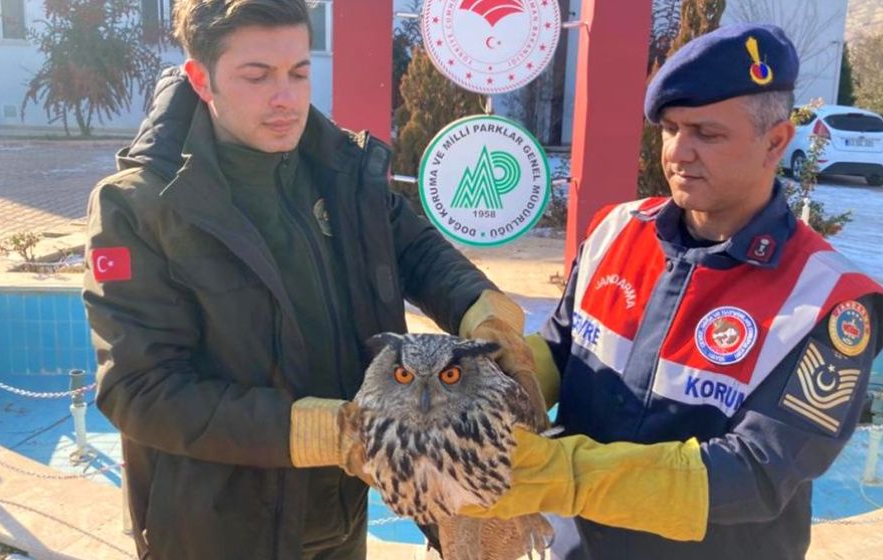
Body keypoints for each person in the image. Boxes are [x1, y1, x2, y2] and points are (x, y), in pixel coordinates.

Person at [82, 1, 542, 558]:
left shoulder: (341, 170)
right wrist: (323, 432)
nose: (286, 98)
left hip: (341, 518)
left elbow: (418, 249)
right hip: (218, 530)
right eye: (257, 76)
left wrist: (485, 314)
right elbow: (140, 390)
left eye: (299, 72)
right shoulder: (139, 207)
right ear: (201, 79)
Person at [462, 23, 883, 559]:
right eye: (670, 129)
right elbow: (562, 346)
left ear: (776, 141)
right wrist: (478, 385)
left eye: (707, 133)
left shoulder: (833, 302)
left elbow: (758, 471)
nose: (678, 153)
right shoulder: (615, 231)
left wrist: (564, 475)